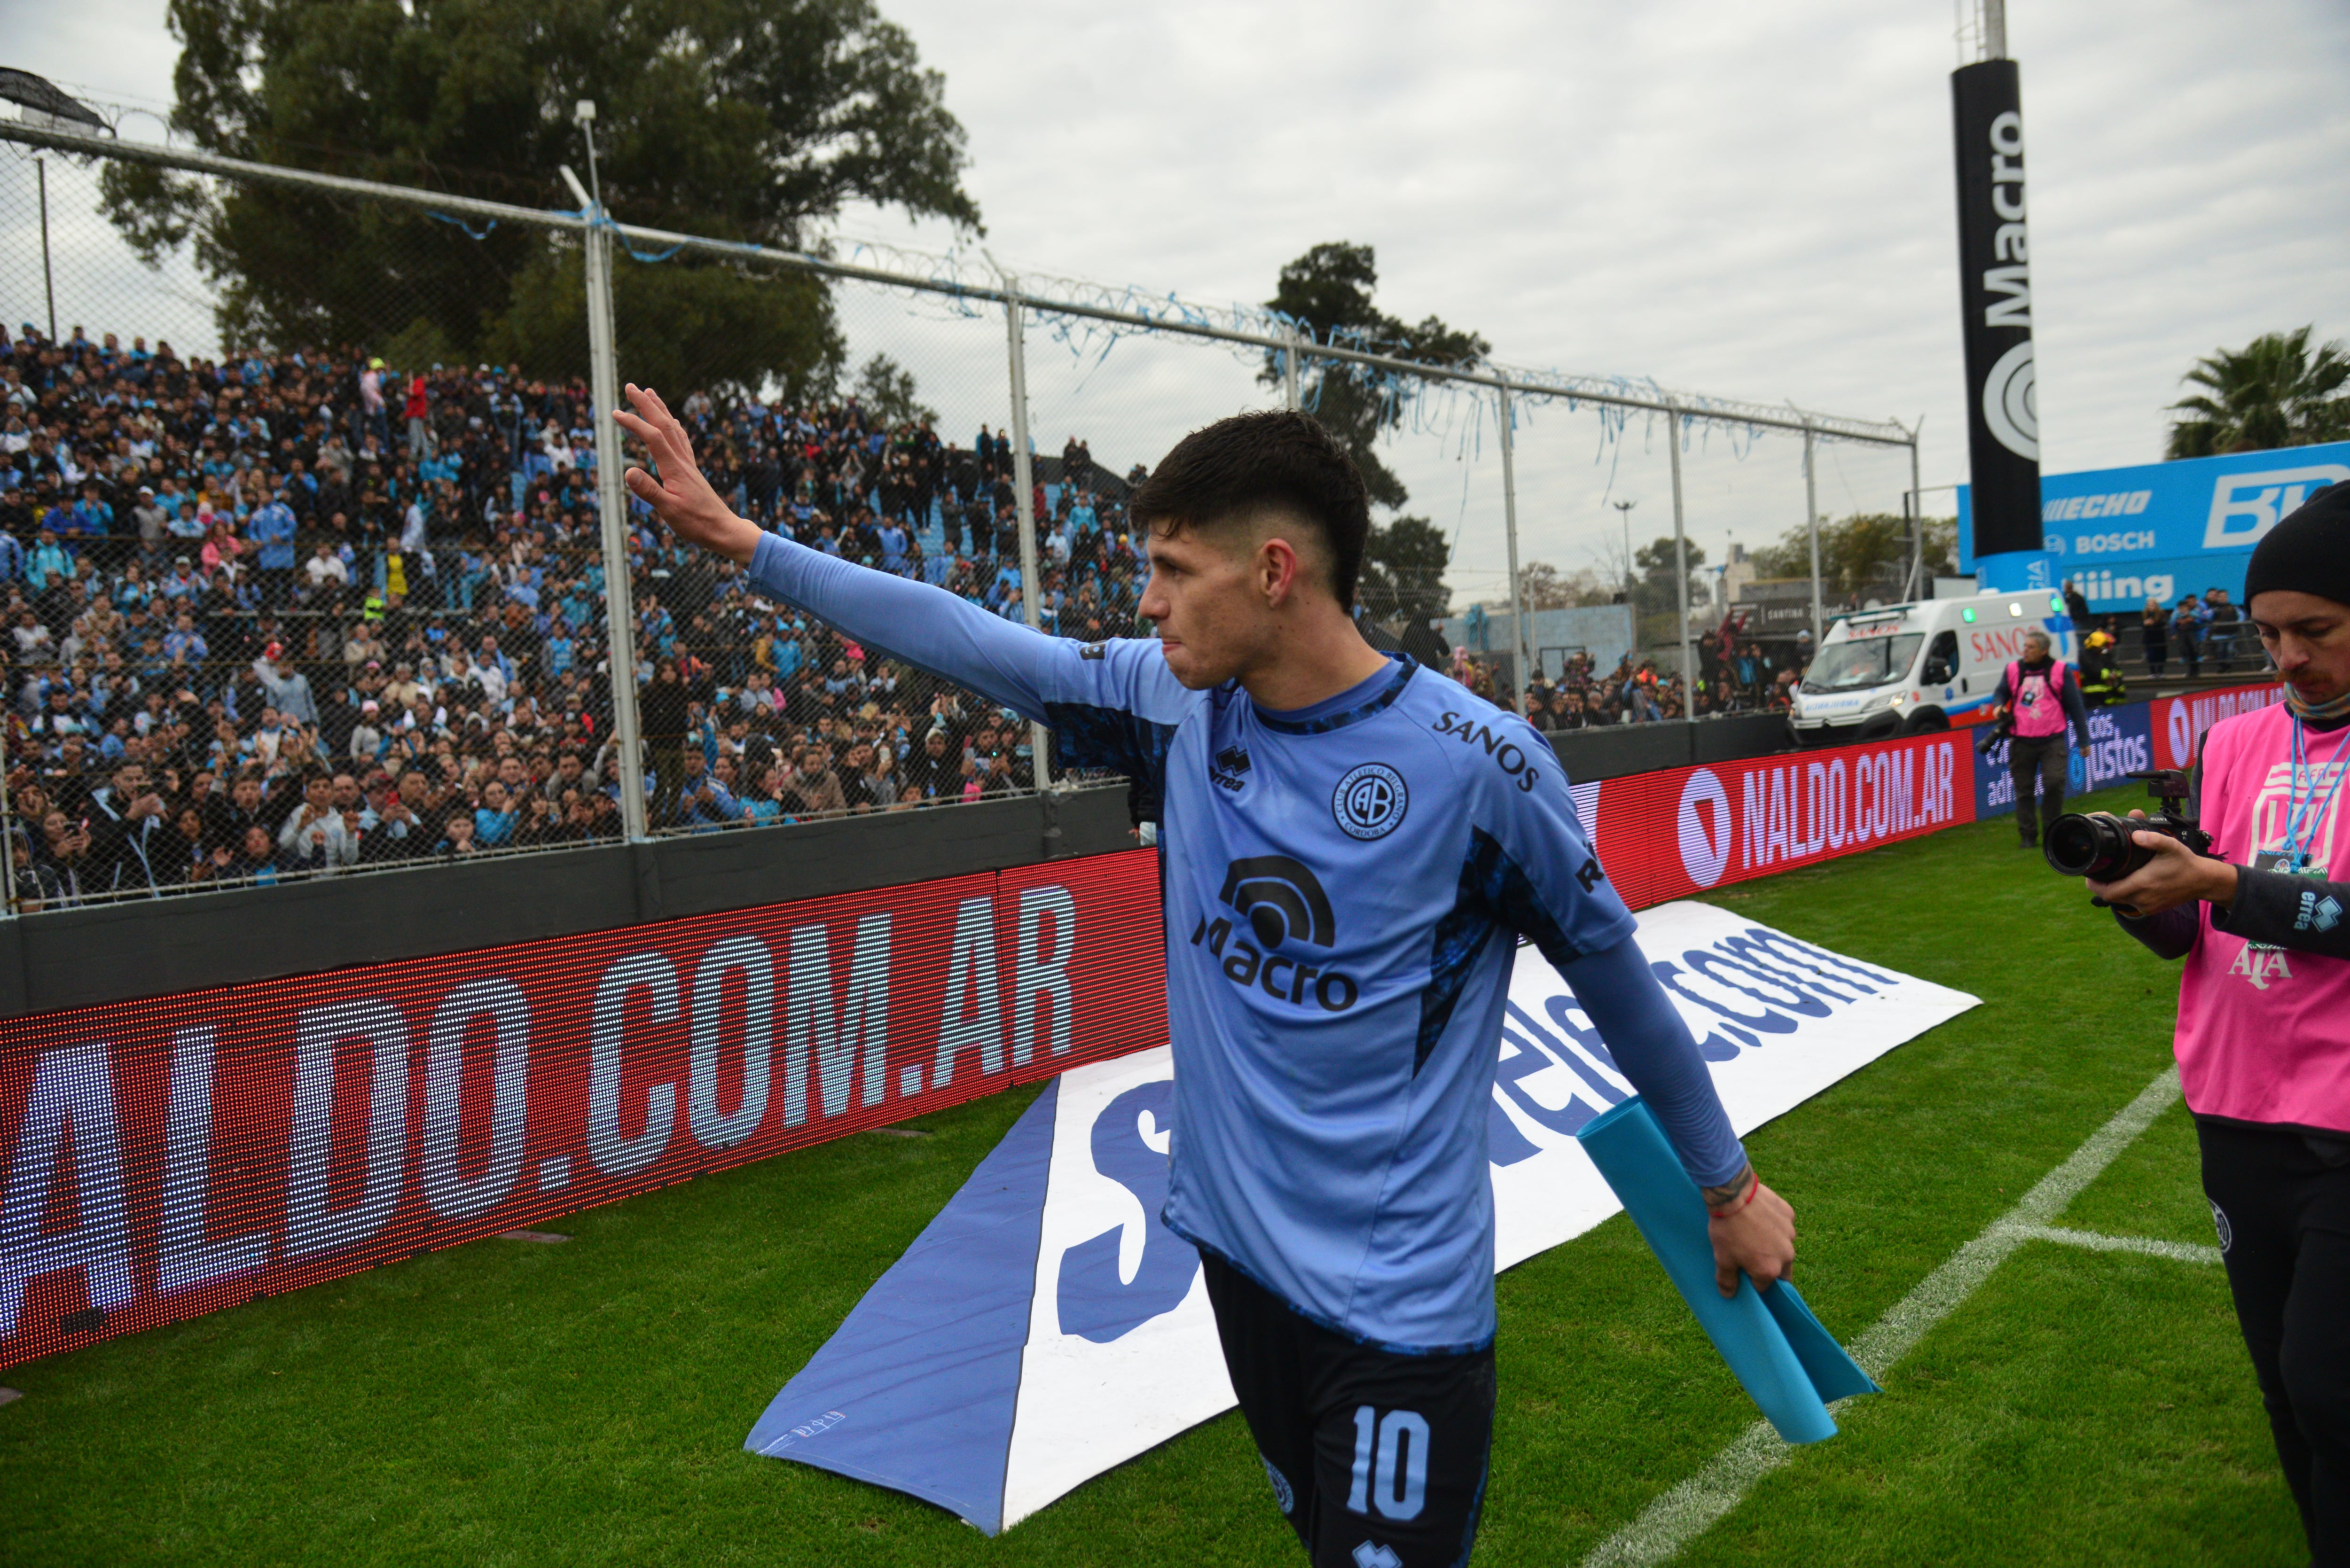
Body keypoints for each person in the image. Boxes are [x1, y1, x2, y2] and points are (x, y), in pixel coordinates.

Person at [616, 388, 1794, 1568]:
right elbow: (973, 639)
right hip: (1236, 1268)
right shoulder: (1175, 706)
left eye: (1175, 568)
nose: (1148, 599)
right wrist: (745, 546)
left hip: (1399, 1312)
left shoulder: (1479, 767)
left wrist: (1727, 1182)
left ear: (1273, 569)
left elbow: (1616, 983)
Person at [2086, 482, 2350, 1567]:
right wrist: (2145, 900)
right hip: (2233, 1102)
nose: (2285, 655)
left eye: (2315, 630)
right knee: (2285, 1391)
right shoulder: (2232, 740)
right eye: (2268, 632)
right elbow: (2198, 933)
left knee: (2331, 1382)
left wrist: (2229, 881)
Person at [1990, 627, 2092, 849]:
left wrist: (2084, 740)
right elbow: (2000, 693)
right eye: (2024, 646)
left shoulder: (2059, 671)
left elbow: (2075, 707)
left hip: (2052, 740)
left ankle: (2051, 830)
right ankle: (2027, 834)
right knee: (2024, 790)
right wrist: (1998, 707)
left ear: (2044, 651)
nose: (2024, 651)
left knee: (2054, 783)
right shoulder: (2013, 670)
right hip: (2021, 740)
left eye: (2030, 647)